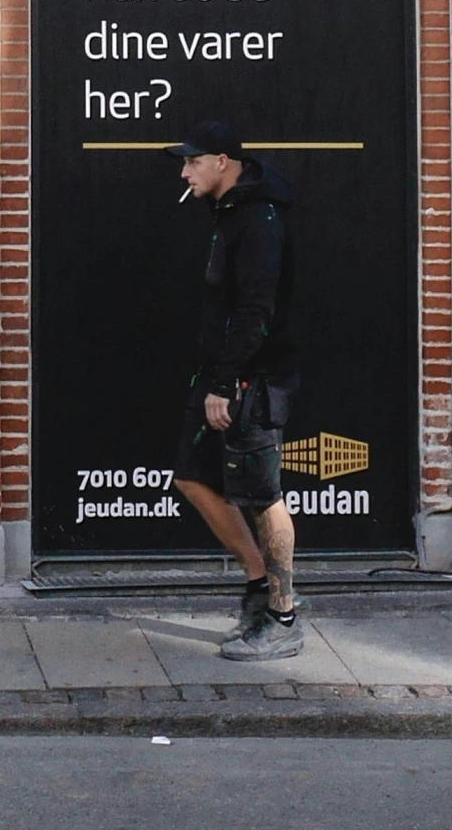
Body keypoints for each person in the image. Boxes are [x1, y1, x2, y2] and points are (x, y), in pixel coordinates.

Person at [165, 118, 302, 659]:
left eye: (192, 161)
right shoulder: (228, 212)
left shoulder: (258, 220)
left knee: (264, 495)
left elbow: (256, 310)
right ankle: (256, 587)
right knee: (192, 477)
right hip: (223, 375)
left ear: (222, 161)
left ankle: (284, 617)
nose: (184, 171)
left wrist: (227, 382)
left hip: (254, 379)